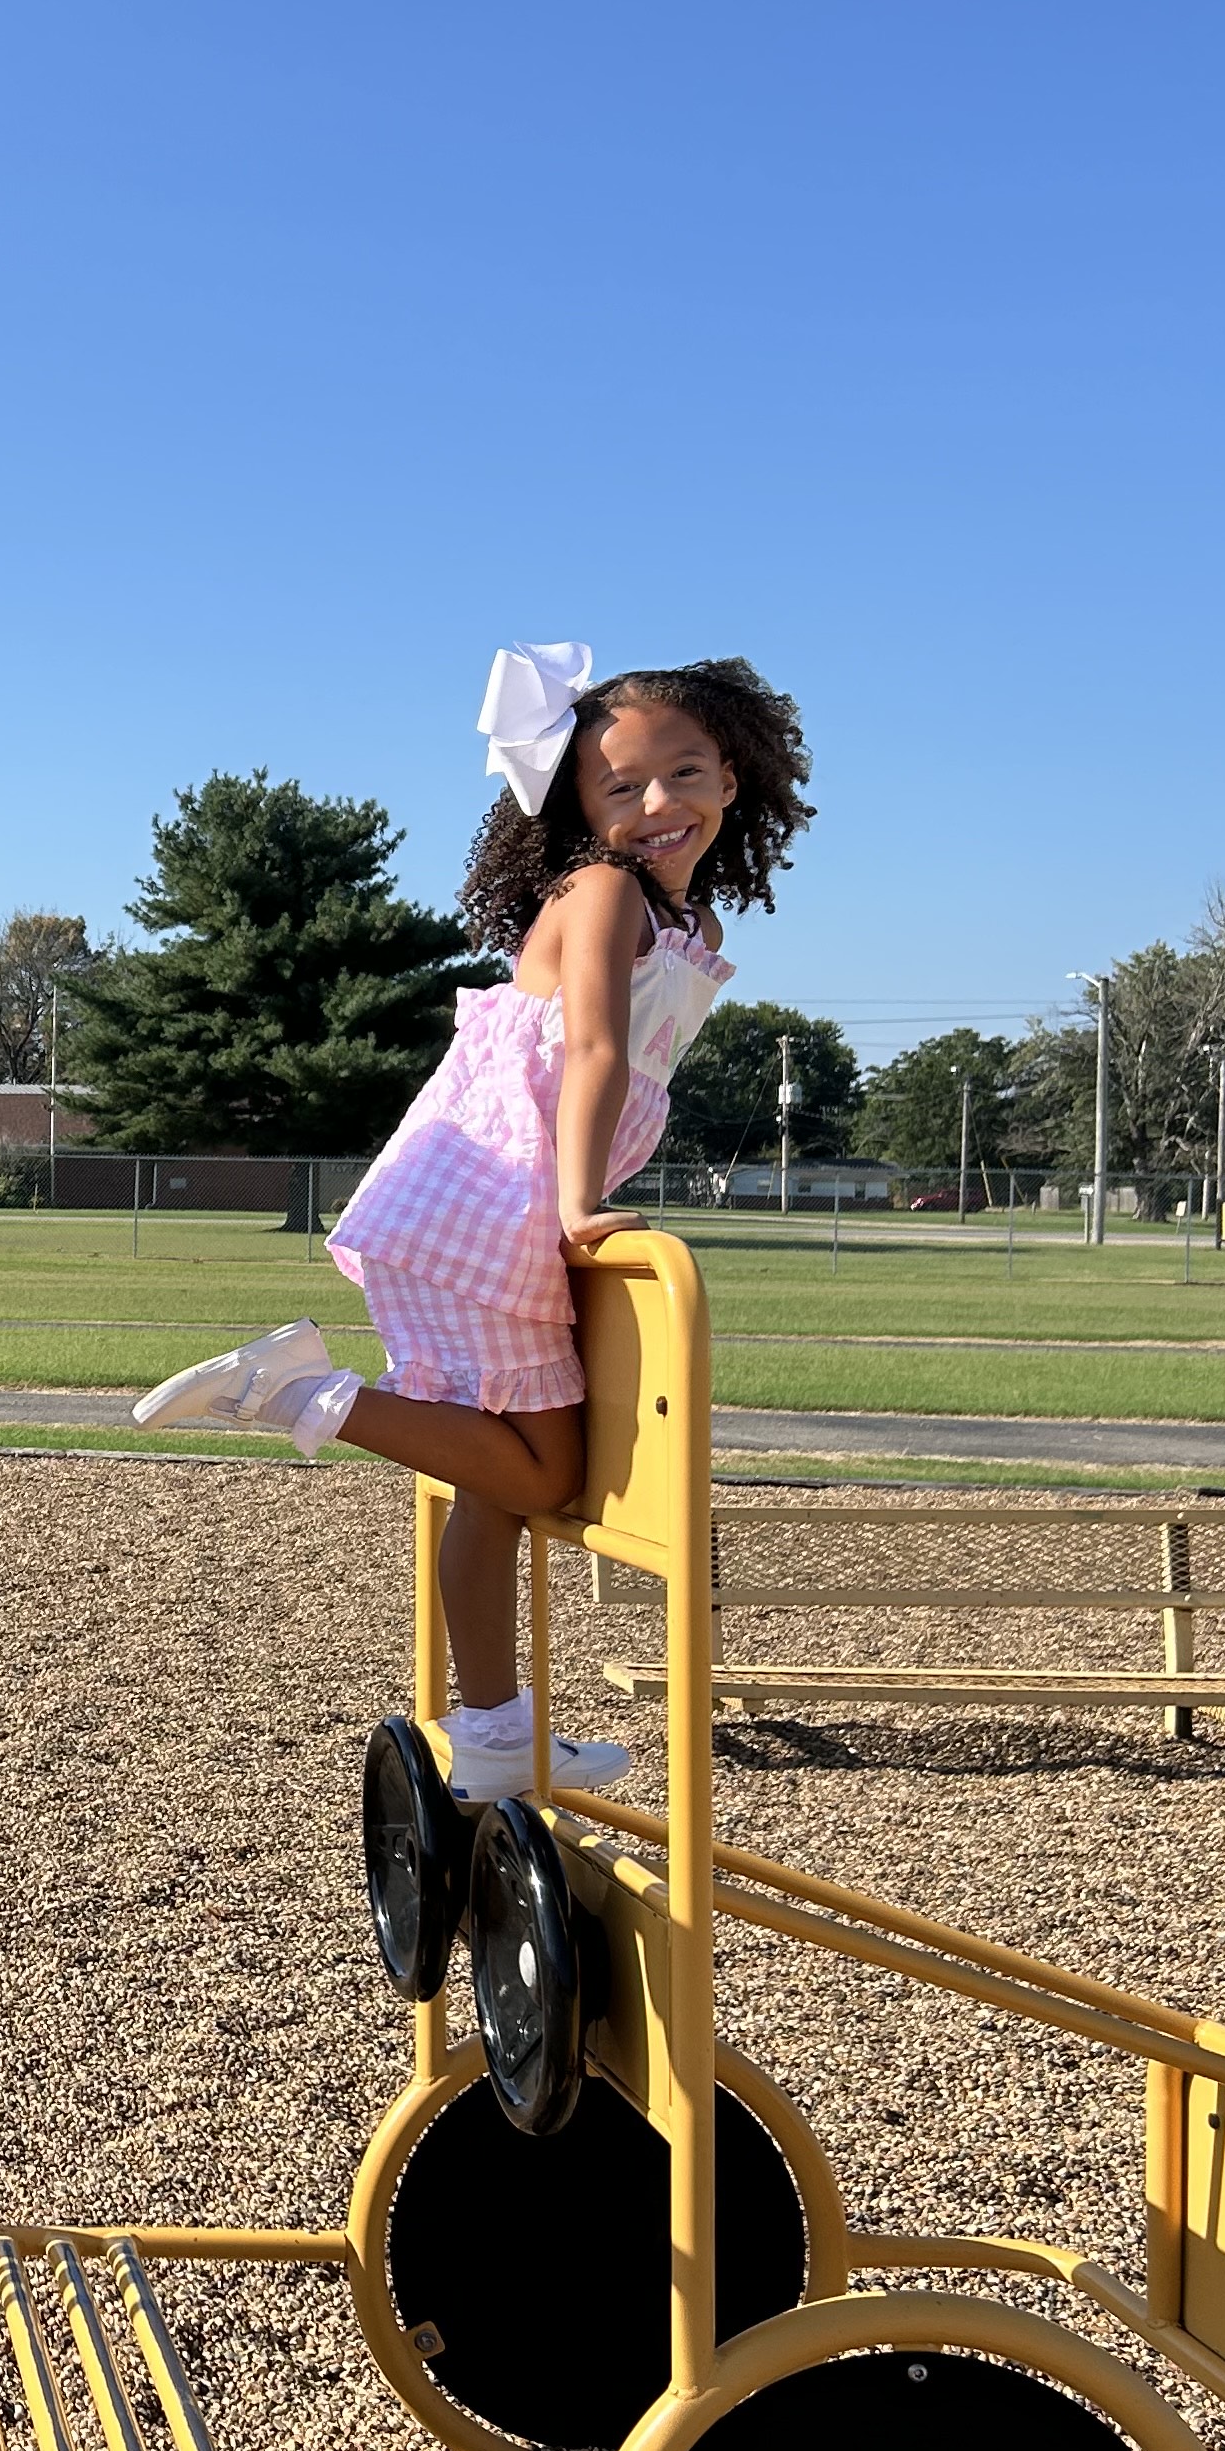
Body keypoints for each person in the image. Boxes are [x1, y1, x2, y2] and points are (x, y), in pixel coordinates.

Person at [137, 648, 814, 1802]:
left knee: (495, 1493)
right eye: (620, 788)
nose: (659, 806)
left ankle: (496, 1741)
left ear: (733, 779)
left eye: (685, 773)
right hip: (494, 1207)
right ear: (574, 810)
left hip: (473, 1205)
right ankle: (302, 1393)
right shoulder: (602, 894)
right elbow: (594, 1049)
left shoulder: (673, 915)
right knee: (545, 1472)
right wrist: (576, 1207)